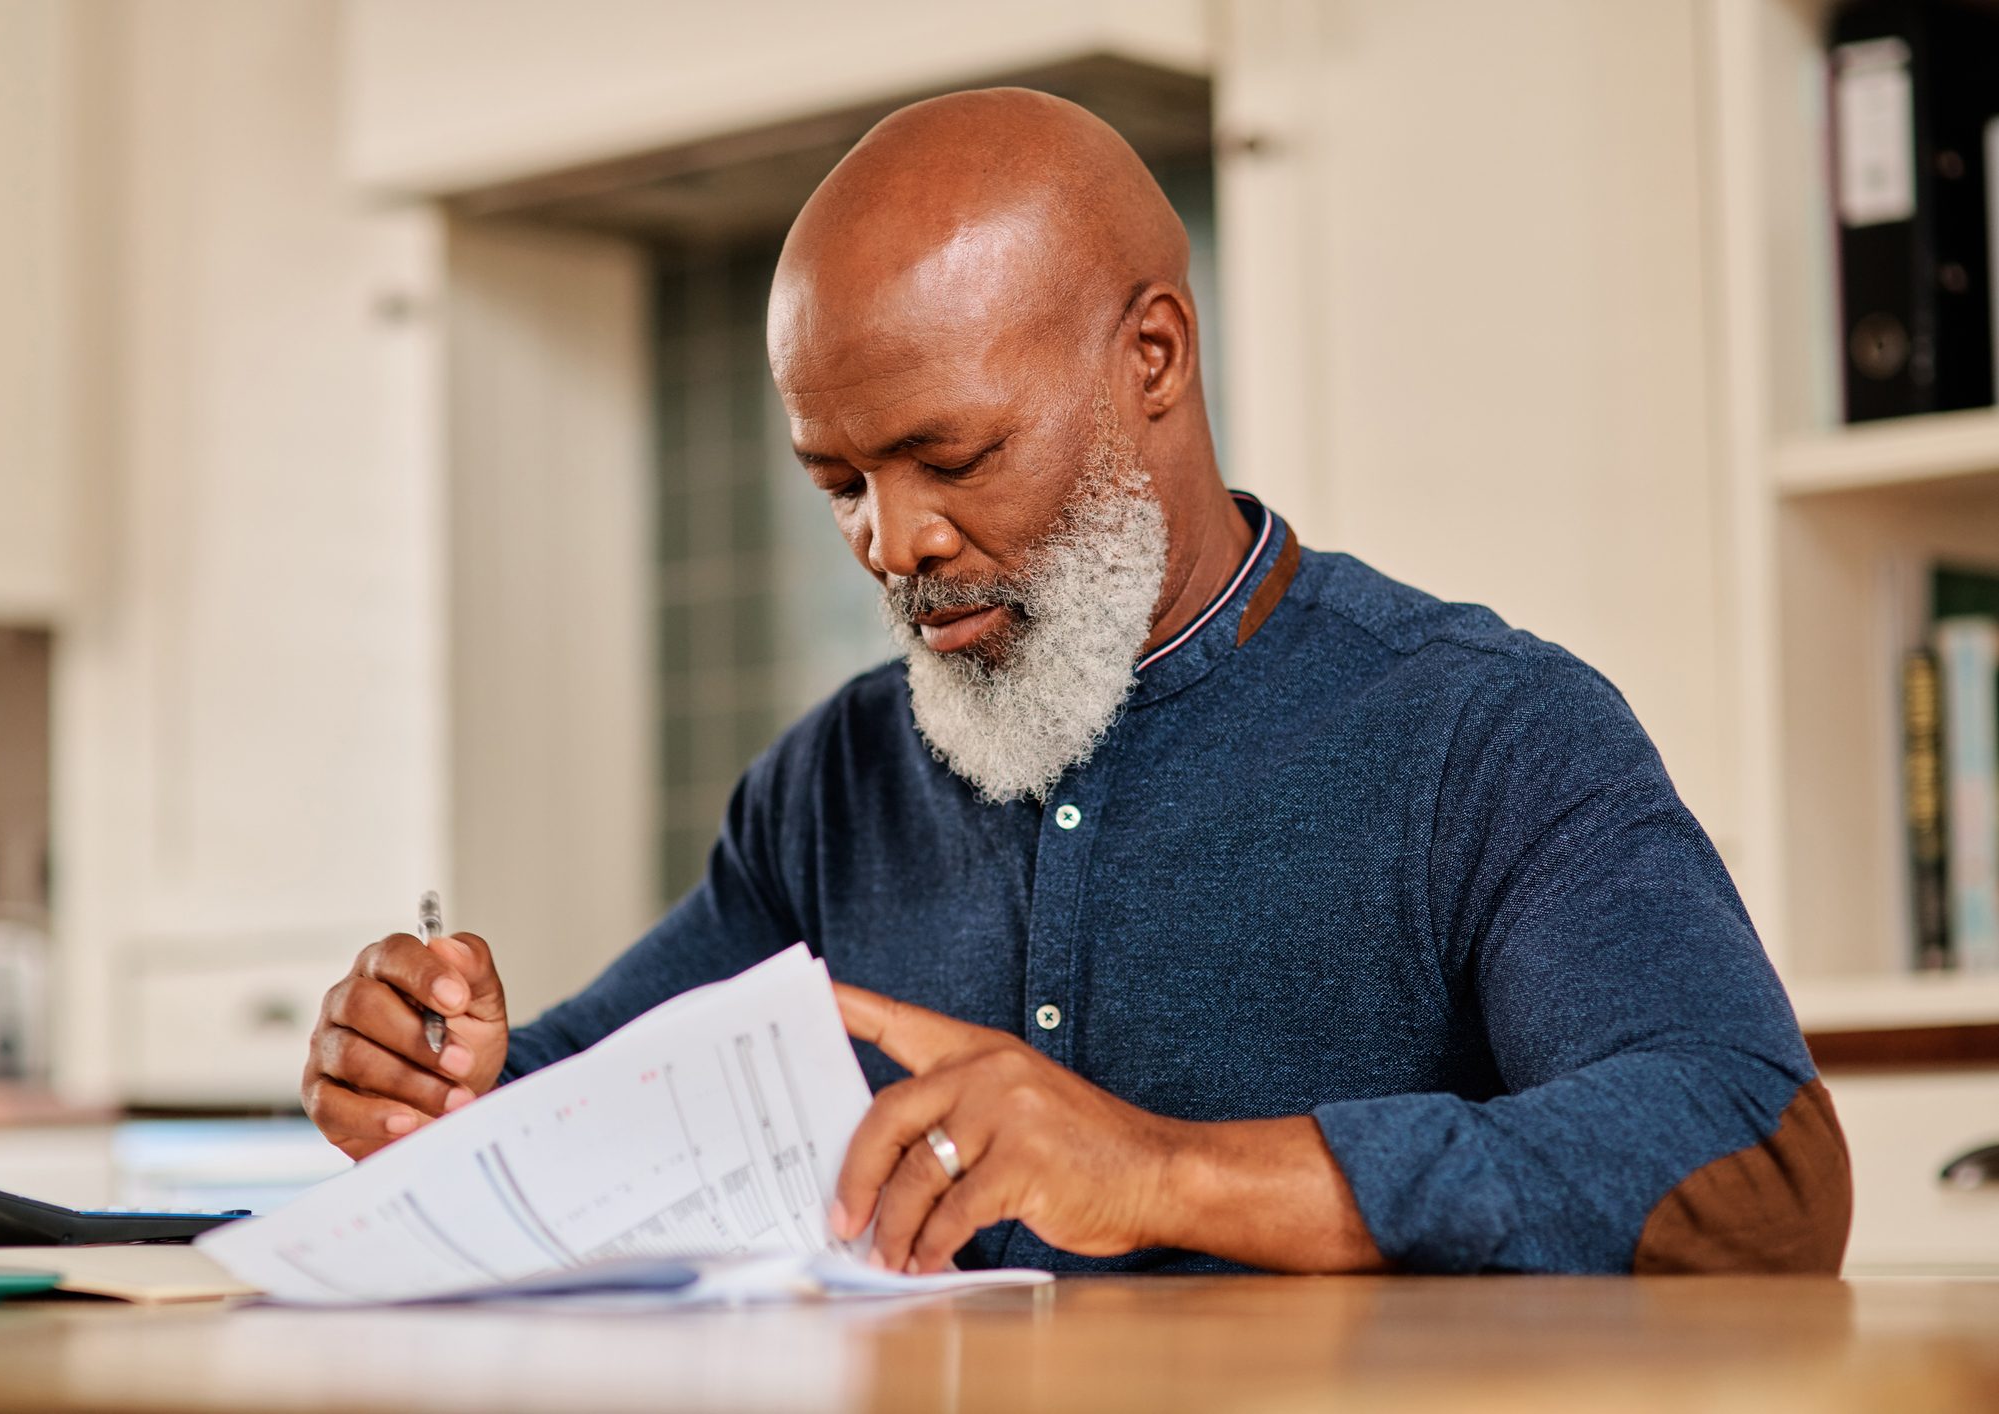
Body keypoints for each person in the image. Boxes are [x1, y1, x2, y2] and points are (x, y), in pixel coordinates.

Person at [302, 89, 1851, 1276]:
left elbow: (1757, 1156)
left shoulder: (1483, 731)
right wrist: (446, 1089)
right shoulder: (827, 788)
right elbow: (587, 1099)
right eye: (836, 479)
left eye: (951, 456)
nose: (892, 542)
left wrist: (1166, 1170)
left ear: (1155, 359)